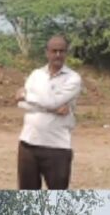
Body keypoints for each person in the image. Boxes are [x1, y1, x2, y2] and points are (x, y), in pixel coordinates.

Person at [16, 35, 82, 190]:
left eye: (61, 51)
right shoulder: (36, 75)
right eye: (54, 51)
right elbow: (21, 104)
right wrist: (52, 107)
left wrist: (29, 98)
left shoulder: (73, 78)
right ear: (47, 52)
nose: (57, 55)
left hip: (57, 147)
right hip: (28, 144)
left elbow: (50, 102)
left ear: (66, 53)